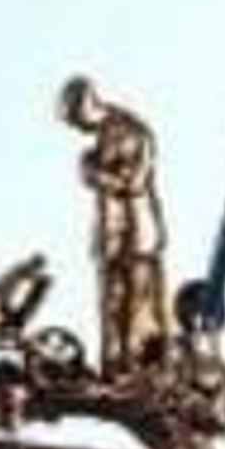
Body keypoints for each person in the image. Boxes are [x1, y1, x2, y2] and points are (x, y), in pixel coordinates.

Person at [59, 77, 171, 375]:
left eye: (76, 121)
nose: (78, 129)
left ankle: (139, 369)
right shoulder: (105, 134)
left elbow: (134, 182)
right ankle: (115, 367)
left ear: (88, 105)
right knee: (112, 302)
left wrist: (93, 173)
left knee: (137, 303)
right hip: (112, 234)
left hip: (136, 233)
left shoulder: (132, 131)